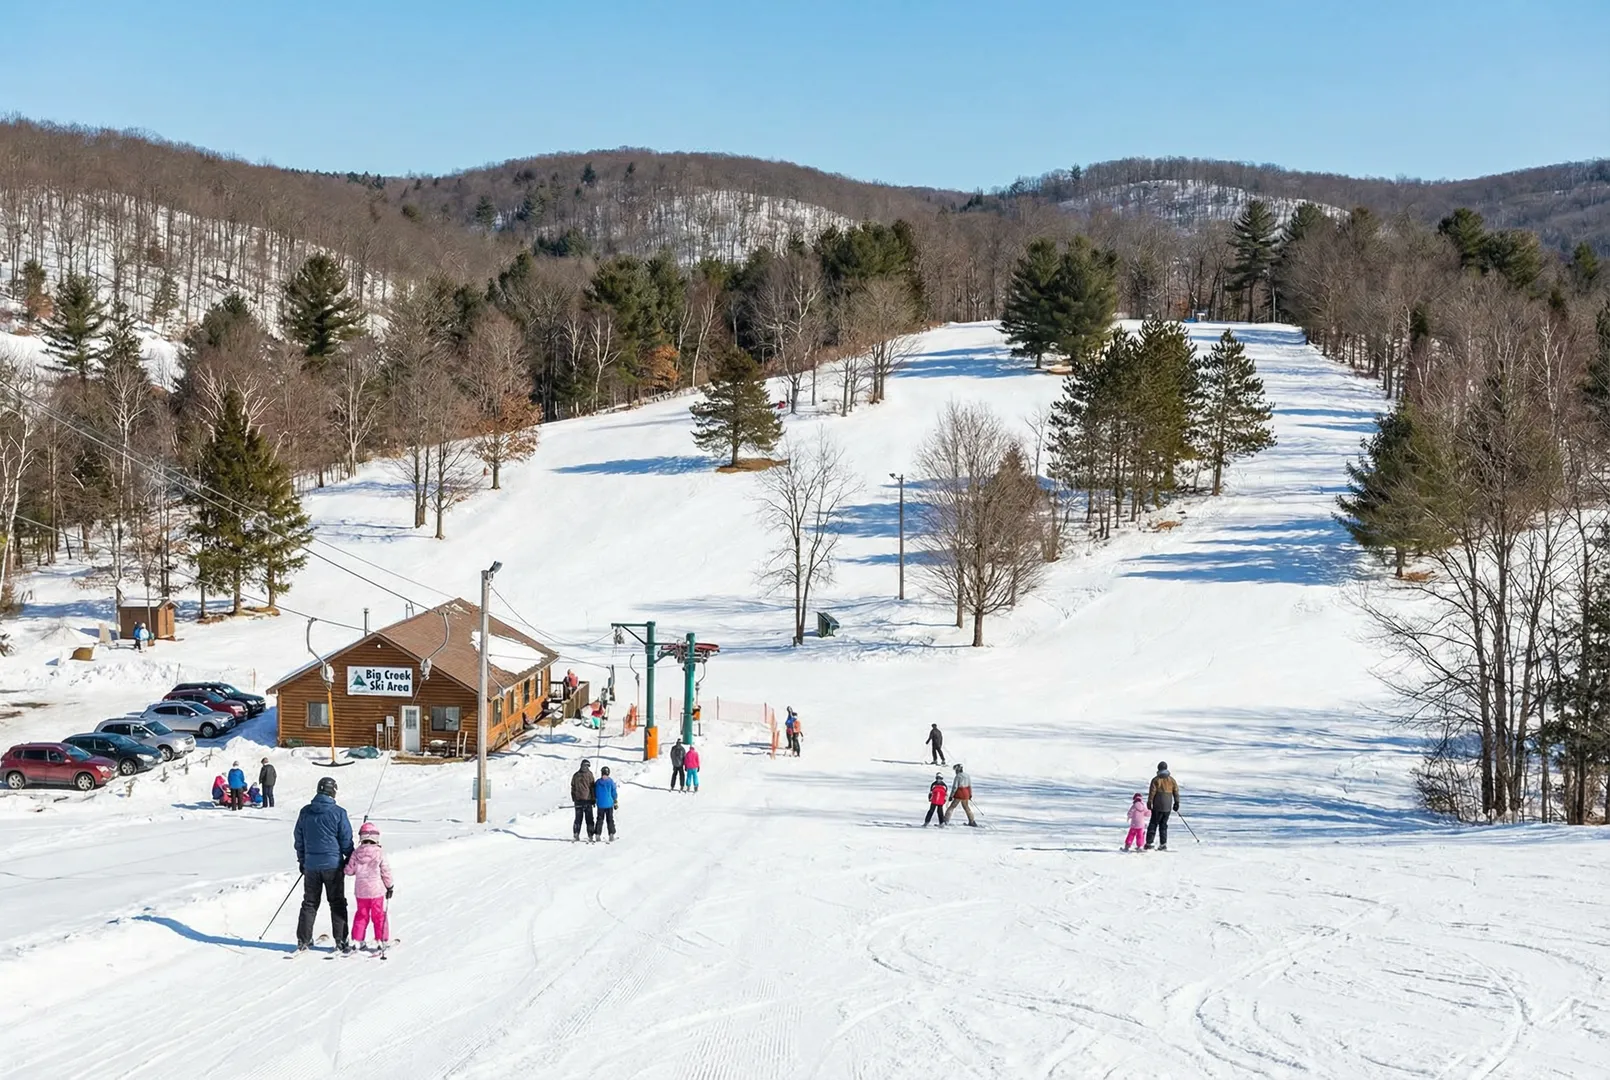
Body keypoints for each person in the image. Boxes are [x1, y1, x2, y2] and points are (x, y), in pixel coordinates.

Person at [294, 776, 355, 953]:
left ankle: (303, 940)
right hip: (333, 865)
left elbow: (299, 838)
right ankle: (341, 940)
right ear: (333, 791)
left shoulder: (305, 812)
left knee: (310, 903)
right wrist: (350, 858)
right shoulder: (338, 812)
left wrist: (302, 860)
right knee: (337, 902)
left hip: (311, 865)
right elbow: (345, 839)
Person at [345, 822, 394, 951]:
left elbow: (349, 871)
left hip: (361, 891)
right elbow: (385, 871)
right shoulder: (379, 853)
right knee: (379, 916)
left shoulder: (356, 853)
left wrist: (346, 865)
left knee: (361, 915)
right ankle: (382, 940)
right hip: (376, 891)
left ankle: (357, 940)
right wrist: (390, 886)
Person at [1145, 762, 1180, 851]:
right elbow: (1176, 792)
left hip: (1157, 805)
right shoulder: (1171, 780)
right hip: (1167, 807)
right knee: (1163, 825)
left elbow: (1152, 792)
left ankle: (1149, 843)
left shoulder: (1156, 780)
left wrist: (1149, 803)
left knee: (1153, 823)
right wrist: (1176, 803)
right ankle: (1163, 844)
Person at [571, 759, 597, 841]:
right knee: (585, 818)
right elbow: (573, 787)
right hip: (584, 800)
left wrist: (593, 798)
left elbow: (592, 787)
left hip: (583, 800)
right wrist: (593, 798)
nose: (586, 767)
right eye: (585, 766)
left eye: (588, 766)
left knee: (582, 818)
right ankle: (583, 834)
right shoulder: (586, 775)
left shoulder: (577, 775)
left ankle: (587, 834)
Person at [593, 766, 619, 842]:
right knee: (610, 819)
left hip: (600, 804)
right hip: (609, 804)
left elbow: (595, 792)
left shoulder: (598, 782)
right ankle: (611, 834)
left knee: (599, 819)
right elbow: (613, 792)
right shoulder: (610, 782)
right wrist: (615, 801)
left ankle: (598, 834)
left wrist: (595, 799)